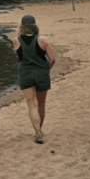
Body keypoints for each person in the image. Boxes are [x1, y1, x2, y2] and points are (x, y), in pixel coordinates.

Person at [12, 14, 56, 144]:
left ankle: (37, 132)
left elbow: (19, 56)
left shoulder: (16, 40)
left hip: (25, 74)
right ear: (35, 25)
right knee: (41, 104)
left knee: (32, 105)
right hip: (41, 74)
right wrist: (47, 68)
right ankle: (40, 130)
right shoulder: (43, 40)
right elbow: (52, 59)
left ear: (22, 26)